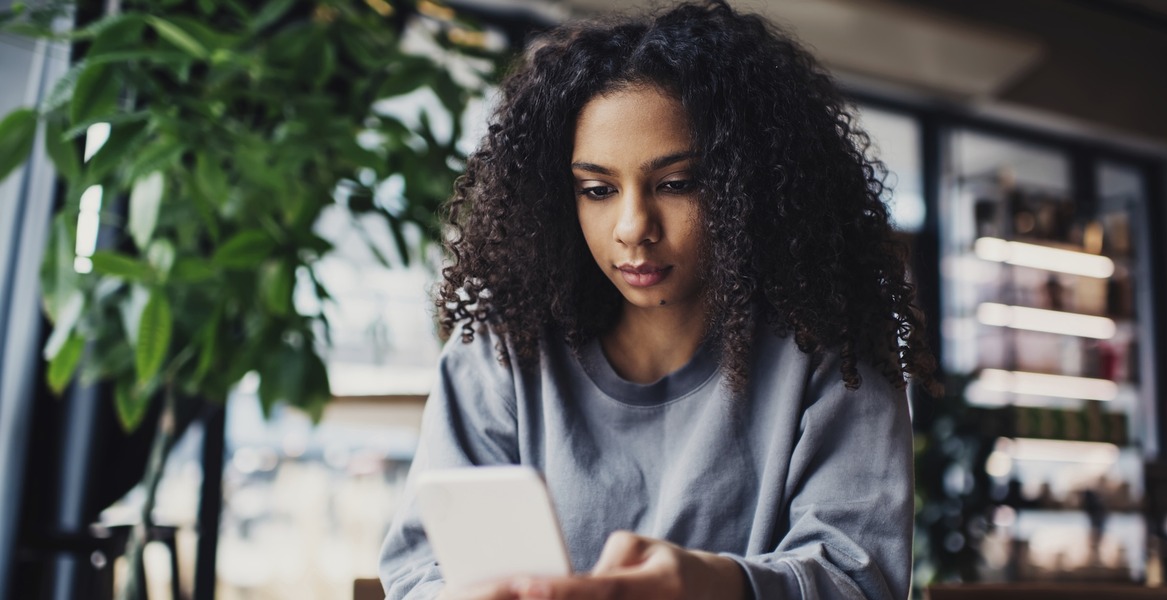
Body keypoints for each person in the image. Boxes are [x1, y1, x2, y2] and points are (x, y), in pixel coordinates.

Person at [379, 1, 939, 598]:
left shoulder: (830, 343)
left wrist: (717, 586)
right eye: (597, 189)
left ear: (746, 185)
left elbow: (861, 579)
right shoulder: (503, 345)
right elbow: (419, 572)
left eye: (676, 184)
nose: (632, 227)